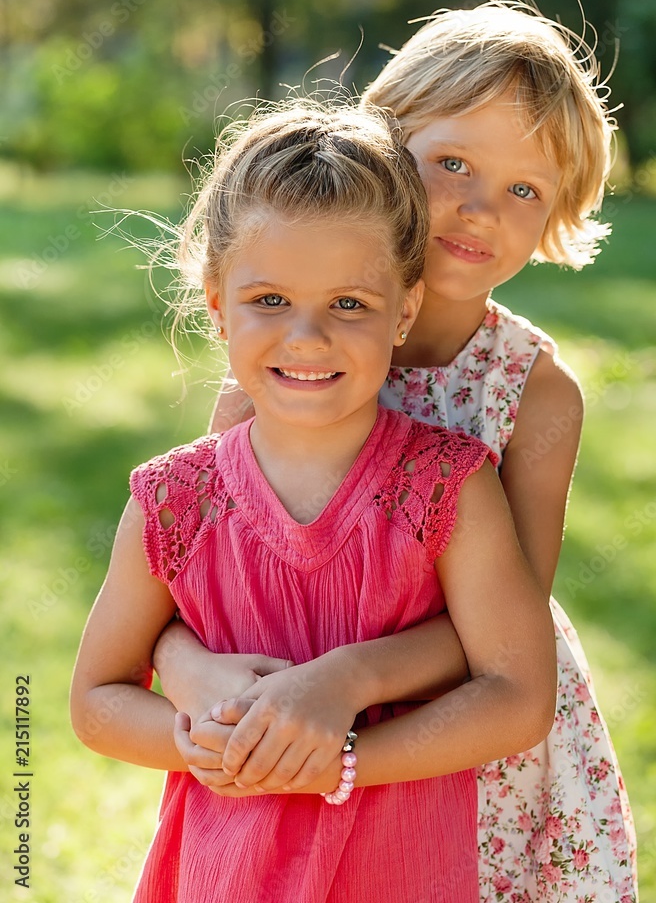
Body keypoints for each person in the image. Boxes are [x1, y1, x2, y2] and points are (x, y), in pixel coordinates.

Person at [159, 0, 638, 902]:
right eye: (451, 163)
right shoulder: (284, 361)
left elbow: (503, 632)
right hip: (283, 711)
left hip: (453, 744)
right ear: (385, 146)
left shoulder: (531, 394)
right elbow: (191, 569)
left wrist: (348, 681)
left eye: (523, 189)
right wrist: (195, 673)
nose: (476, 208)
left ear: (555, 218)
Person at [70, 102, 557, 903]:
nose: (306, 337)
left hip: (401, 869)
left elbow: (517, 696)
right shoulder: (173, 501)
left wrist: (342, 761)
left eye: (349, 305)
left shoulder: (447, 484)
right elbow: (96, 701)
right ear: (216, 300)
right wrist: (202, 741)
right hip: (223, 873)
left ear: (403, 310)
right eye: (268, 301)